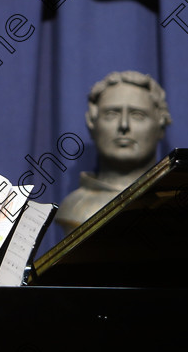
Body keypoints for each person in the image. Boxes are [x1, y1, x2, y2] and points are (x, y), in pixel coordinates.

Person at [56, 70, 172, 234]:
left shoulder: (175, 202)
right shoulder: (74, 207)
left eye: (137, 115)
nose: (124, 125)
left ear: (160, 125)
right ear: (91, 123)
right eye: (111, 114)